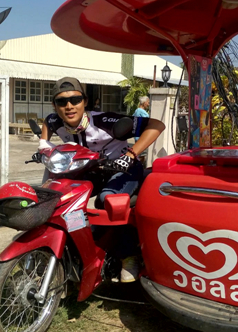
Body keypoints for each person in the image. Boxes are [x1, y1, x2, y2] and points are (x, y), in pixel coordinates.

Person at [40, 77, 165, 282]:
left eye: (75, 100)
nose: (69, 106)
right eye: (62, 102)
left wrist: (130, 154)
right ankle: (74, 242)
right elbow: (48, 122)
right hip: (91, 170)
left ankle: (128, 255)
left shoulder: (104, 121)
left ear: (85, 101)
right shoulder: (56, 120)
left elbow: (157, 124)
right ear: (55, 105)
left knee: (107, 200)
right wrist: (43, 145)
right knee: (61, 194)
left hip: (124, 168)